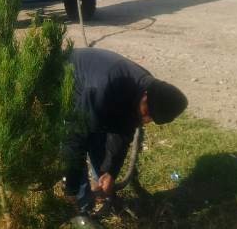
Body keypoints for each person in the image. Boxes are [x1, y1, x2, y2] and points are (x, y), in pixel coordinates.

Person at [62, 47, 188, 215]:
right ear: (145, 97)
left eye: (152, 119)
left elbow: (122, 132)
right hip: (70, 79)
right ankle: (80, 206)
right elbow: (75, 141)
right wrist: (71, 186)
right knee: (86, 137)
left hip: (100, 89)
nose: (146, 120)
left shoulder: (148, 88)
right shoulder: (101, 91)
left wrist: (110, 172)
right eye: (148, 114)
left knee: (100, 135)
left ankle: (101, 185)